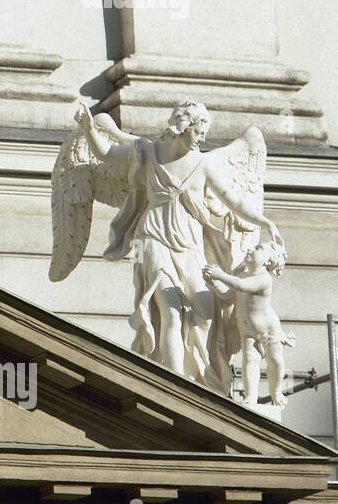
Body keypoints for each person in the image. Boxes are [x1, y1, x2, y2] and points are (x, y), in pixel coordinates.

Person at [75, 101, 283, 381]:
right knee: (170, 311)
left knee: (205, 313)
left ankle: (198, 379)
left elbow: (233, 200)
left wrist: (265, 222)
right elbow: (108, 153)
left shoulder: (205, 163)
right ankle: (174, 384)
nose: (203, 138)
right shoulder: (147, 153)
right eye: (198, 131)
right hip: (154, 240)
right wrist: (89, 128)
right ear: (181, 127)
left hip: (190, 245)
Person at [203, 243, 294, 407]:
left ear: (268, 260)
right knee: (250, 361)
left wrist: (219, 274)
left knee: (276, 362)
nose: (251, 249)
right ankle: (251, 396)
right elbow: (226, 296)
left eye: (259, 248)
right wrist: (213, 281)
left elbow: (240, 286)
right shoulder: (243, 276)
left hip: (269, 330)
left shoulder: (264, 278)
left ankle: (276, 392)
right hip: (247, 331)